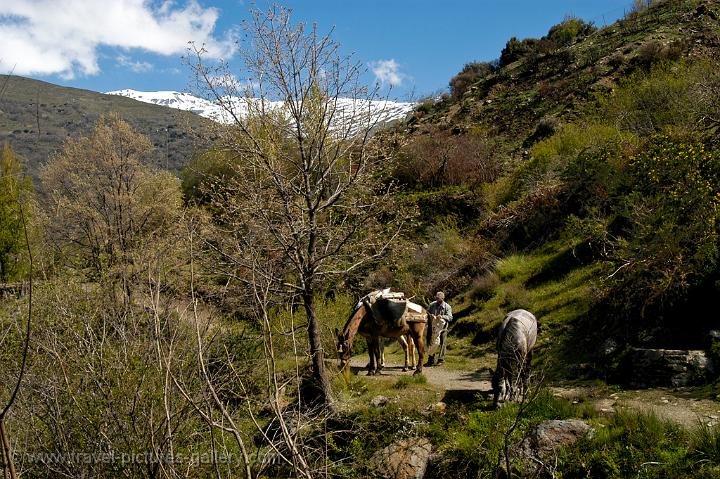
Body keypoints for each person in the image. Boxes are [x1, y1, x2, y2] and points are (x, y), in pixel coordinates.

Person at [425, 291, 453, 366]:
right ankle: (430, 360)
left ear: (443, 299)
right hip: (434, 328)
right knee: (433, 343)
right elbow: (426, 313)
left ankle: (441, 359)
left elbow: (450, 317)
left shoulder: (447, 307)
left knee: (442, 343)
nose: (437, 301)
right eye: (437, 299)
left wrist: (442, 316)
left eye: (439, 300)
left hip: (443, 328)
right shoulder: (432, 305)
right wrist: (431, 315)